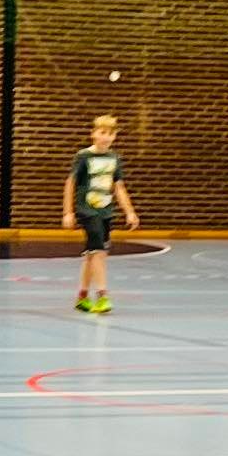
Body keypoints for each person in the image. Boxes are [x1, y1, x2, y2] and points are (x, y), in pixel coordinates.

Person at [64, 111, 140, 314]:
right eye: (102, 132)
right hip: (88, 210)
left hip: (106, 211)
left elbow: (119, 187)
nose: (106, 137)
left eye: (110, 133)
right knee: (98, 252)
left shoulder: (114, 158)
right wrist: (68, 212)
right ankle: (102, 295)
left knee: (94, 254)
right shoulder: (84, 157)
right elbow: (70, 183)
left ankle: (82, 297)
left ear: (115, 136)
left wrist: (129, 212)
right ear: (93, 133)